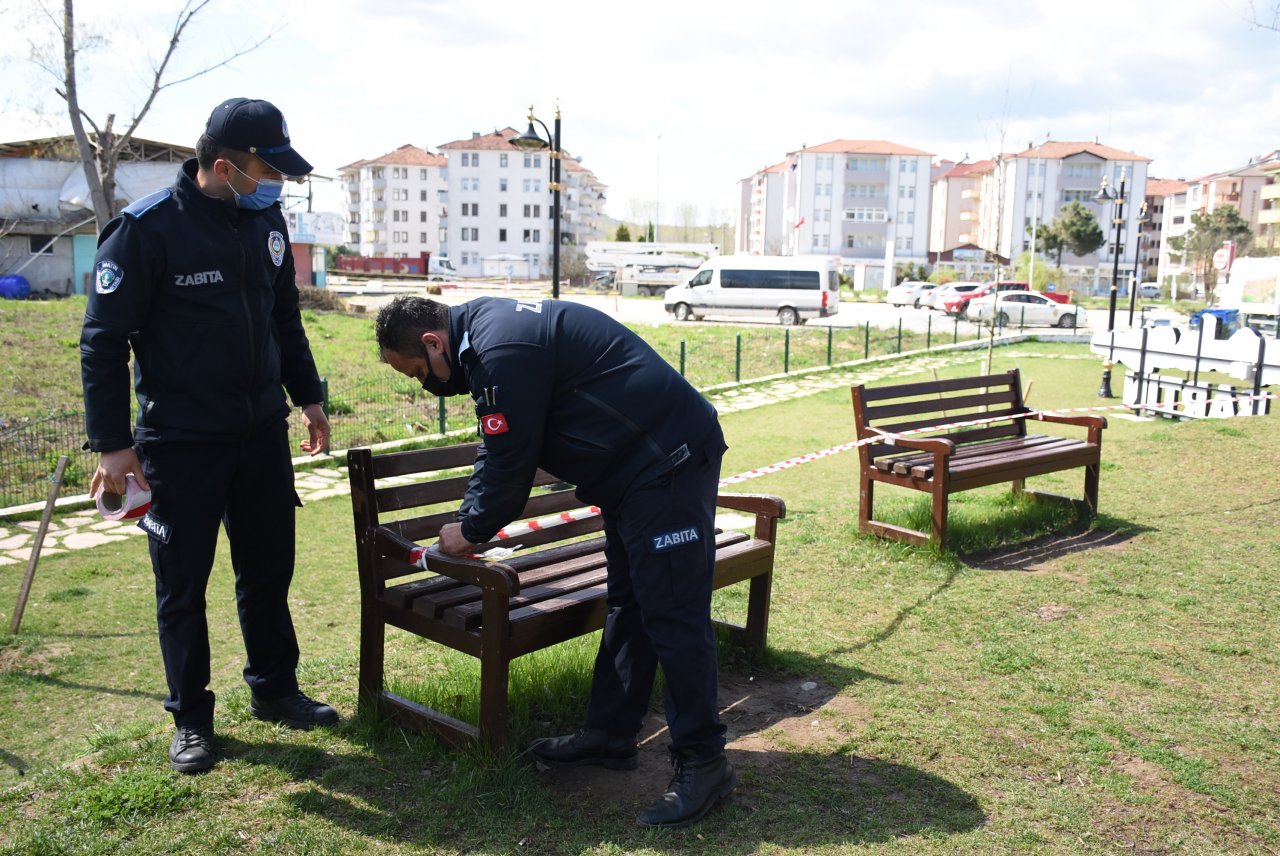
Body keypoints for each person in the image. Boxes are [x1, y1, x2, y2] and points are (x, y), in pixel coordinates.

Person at [375, 295, 736, 828]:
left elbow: (510, 460)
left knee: (673, 613)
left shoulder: (499, 348)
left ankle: (704, 763)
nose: (425, 384)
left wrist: (470, 531)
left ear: (432, 342)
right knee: (631, 603)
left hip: (668, 462)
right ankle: (610, 734)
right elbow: (497, 441)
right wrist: (469, 517)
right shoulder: (485, 342)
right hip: (634, 474)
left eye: (418, 373)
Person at [80, 98, 339, 775]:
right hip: (180, 442)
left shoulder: (265, 222)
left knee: (268, 571)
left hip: (260, 434)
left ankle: (274, 688)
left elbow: (285, 317)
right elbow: (102, 342)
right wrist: (113, 445)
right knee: (182, 586)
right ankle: (191, 719)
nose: (276, 184)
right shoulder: (145, 232)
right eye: (268, 170)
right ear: (224, 166)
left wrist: (309, 399)